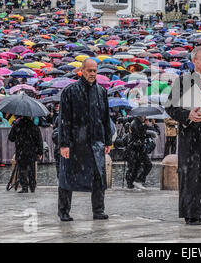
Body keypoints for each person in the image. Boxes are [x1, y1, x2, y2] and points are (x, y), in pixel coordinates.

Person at [166, 46, 201, 225]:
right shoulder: (182, 81)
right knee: (190, 173)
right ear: (194, 61)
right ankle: (190, 213)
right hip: (189, 134)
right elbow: (170, 107)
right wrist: (187, 115)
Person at [58, 58, 113, 222]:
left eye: (95, 70)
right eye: (89, 70)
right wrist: (64, 144)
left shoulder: (101, 92)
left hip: (96, 142)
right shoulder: (70, 91)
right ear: (82, 71)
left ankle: (98, 210)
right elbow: (64, 120)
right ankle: (64, 211)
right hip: (75, 142)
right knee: (67, 177)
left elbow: (105, 118)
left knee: (98, 177)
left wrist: (107, 141)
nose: (92, 74)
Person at [8, 116, 43, 193]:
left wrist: (14, 128)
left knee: (22, 169)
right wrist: (40, 152)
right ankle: (32, 187)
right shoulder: (34, 127)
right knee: (32, 170)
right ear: (31, 117)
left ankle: (24, 187)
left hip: (21, 151)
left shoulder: (17, 126)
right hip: (32, 152)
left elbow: (11, 138)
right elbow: (39, 141)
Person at [125, 116, 160, 189]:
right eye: (145, 116)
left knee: (137, 167)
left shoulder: (140, 123)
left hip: (139, 149)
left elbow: (157, 132)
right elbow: (140, 133)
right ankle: (134, 182)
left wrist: (153, 124)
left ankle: (135, 182)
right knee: (138, 166)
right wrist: (146, 128)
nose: (145, 118)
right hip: (135, 149)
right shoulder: (135, 123)